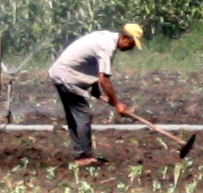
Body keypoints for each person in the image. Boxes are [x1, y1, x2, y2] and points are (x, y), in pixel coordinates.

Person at [45, 23, 141, 166]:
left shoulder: (106, 39)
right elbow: (104, 78)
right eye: (132, 43)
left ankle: (80, 154)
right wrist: (117, 104)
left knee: (75, 116)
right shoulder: (106, 46)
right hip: (66, 76)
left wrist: (94, 88)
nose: (131, 47)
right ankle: (84, 157)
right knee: (82, 115)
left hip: (61, 74)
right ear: (124, 37)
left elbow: (91, 65)